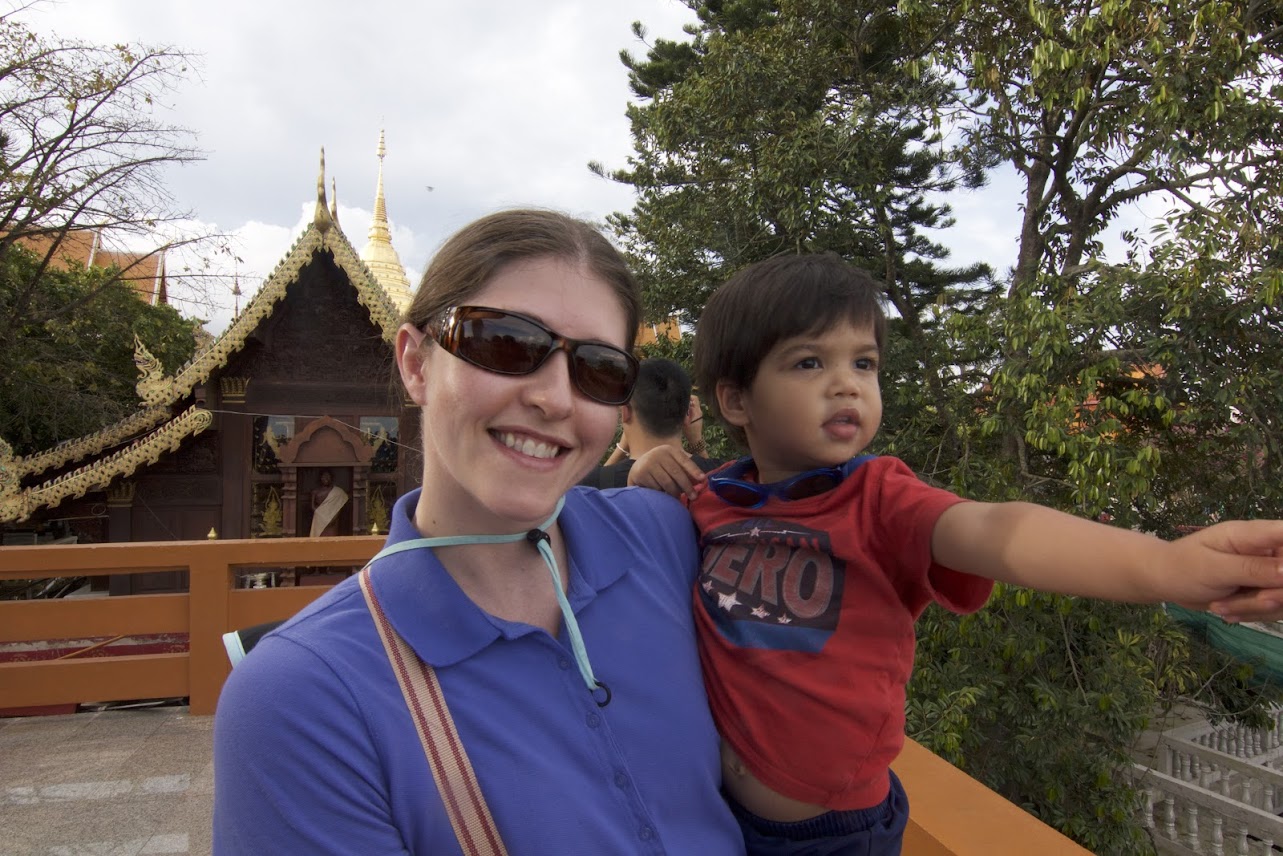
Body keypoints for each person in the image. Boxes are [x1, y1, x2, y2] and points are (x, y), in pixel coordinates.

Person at [627, 252, 1283, 856]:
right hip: (719, 813)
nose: (846, 385)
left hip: (833, 835)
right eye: (808, 363)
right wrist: (644, 470)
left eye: (863, 363)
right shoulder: (714, 501)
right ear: (736, 399)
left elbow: (999, 531)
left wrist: (1165, 566)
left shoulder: (879, 499)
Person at [213, 210, 746, 855]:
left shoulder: (666, 539)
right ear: (416, 364)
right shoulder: (304, 699)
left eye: (601, 370)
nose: (556, 398)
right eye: (505, 344)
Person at [579, 357, 720, 489]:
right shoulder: (721, 476)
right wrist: (697, 443)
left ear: (625, 412)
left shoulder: (592, 485)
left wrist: (621, 449)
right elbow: (712, 484)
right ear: (689, 415)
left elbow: (590, 490)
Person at [308, 468, 348, 537]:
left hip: (332, 519)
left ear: (331, 478)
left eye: (328, 476)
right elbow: (312, 506)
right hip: (319, 519)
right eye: (324, 476)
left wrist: (333, 517)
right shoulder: (315, 492)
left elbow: (339, 506)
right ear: (320, 478)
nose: (326, 478)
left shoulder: (338, 492)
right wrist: (320, 515)